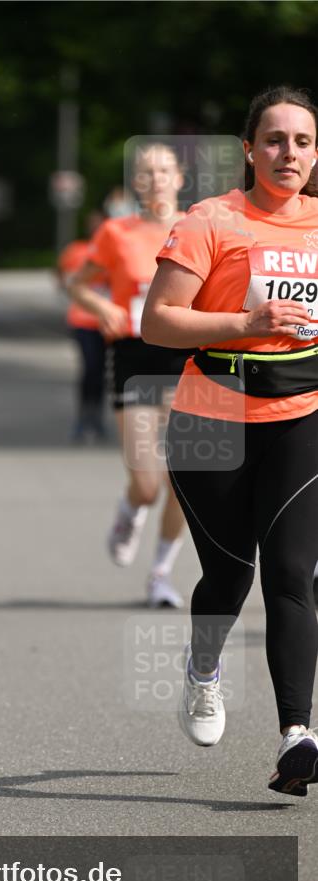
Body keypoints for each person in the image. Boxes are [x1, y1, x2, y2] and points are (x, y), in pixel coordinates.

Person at [142, 86, 318, 796]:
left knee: (290, 572)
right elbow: (158, 322)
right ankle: (203, 671)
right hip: (210, 423)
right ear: (248, 149)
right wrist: (244, 324)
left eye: (302, 142)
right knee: (228, 576)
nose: (288, 154)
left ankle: (296, 736)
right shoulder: (209, 221)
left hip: (300, 417)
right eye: (273, 140)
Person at [69, 145, 192, 608]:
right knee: (147, 483)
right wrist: (101, 305)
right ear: (136, 183)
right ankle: (130, 509)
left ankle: (161, 573)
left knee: (187, 480)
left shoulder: (198, 227)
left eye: (165, 170)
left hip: (187, 358)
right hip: (135, 358)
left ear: (179, 178)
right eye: (146, 172)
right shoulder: (115, 232)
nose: (156, 179)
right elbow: (77, 283)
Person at [57, 211, 109, 442]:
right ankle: (83, 417)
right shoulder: (76, 250)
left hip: (108, 320)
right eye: (93, 225)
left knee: (102, 371)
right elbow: (62, 274)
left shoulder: (113, 251)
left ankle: (97, 417)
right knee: (90, 367)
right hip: (82, 320)